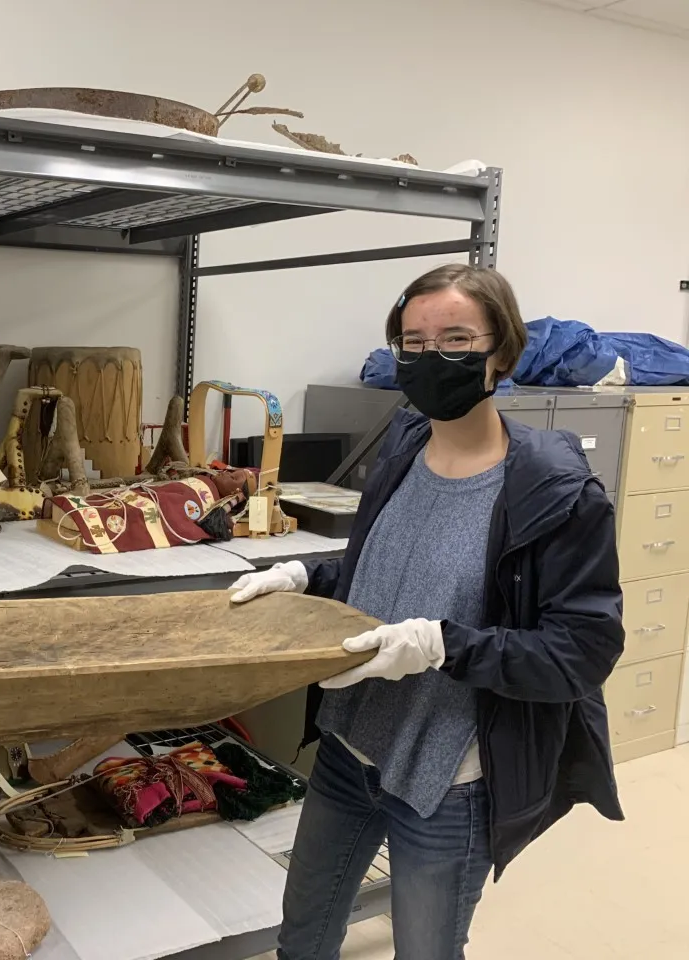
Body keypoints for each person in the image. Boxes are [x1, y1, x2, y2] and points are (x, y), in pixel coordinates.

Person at [230, 264, 624, 960]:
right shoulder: (406, 446)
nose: (428, 357)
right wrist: (305, 576)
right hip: (350, 751)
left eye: (454, 337)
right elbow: (387, 568)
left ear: (501, 352)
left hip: (448, 778)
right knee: (304, 935)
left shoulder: (556, 492)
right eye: (411, 342)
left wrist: (445, 646)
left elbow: (581, 652)